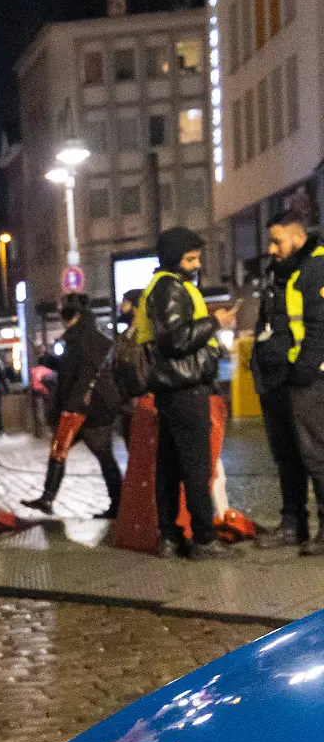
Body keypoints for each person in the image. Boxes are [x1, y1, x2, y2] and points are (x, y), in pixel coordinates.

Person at [135, 227, 236, 559]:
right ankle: (204, 540)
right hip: (185, 388)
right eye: (191, 259)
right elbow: (176, 340)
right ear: (174, 260)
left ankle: (169, 537)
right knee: (195, 466)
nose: (196, 265)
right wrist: (214, 321)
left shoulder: (160, 287)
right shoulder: (170, 288)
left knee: (170, 465)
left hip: (171, 389)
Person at [252, 211, 324, 551]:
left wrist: (304, 372)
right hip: (277, 378)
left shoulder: (316, 268)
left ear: (298, 237)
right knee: (287, 456)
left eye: (277, 241)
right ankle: (292, 525)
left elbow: (318, 327)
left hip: (304, 381)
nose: (271, 248)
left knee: (315, 455)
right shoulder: (280, 272)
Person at [23, 295, 124, 518]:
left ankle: (118, 504)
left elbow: (85, 377)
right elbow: (72, 369)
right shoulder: (80, 337)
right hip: (84, 408)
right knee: (60, 450)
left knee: (102, 455)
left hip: (90, 410)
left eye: (64, 315)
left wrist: (72, 408)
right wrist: (50, 361)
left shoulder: (85, 339)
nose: (62, 320)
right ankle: (47, 499)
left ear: (74, 316)